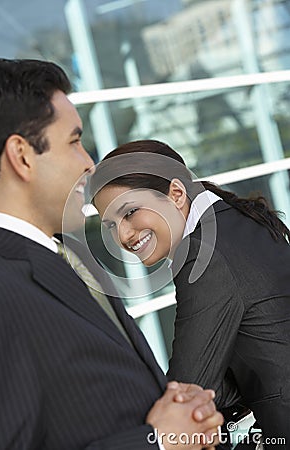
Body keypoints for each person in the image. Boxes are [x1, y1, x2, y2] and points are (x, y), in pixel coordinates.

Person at [0, 59, 223, 450]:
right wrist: (158, 442)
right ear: (23, 155)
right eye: (74, 141)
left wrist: (185, 414)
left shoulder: (64, 258)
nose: (88, 162)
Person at [91, 139, 290, 449]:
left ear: (176, 193)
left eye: (129, 213)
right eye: (111, 225)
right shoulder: (237, 221)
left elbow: (186, 394)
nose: (123, 235)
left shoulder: (202, 254)